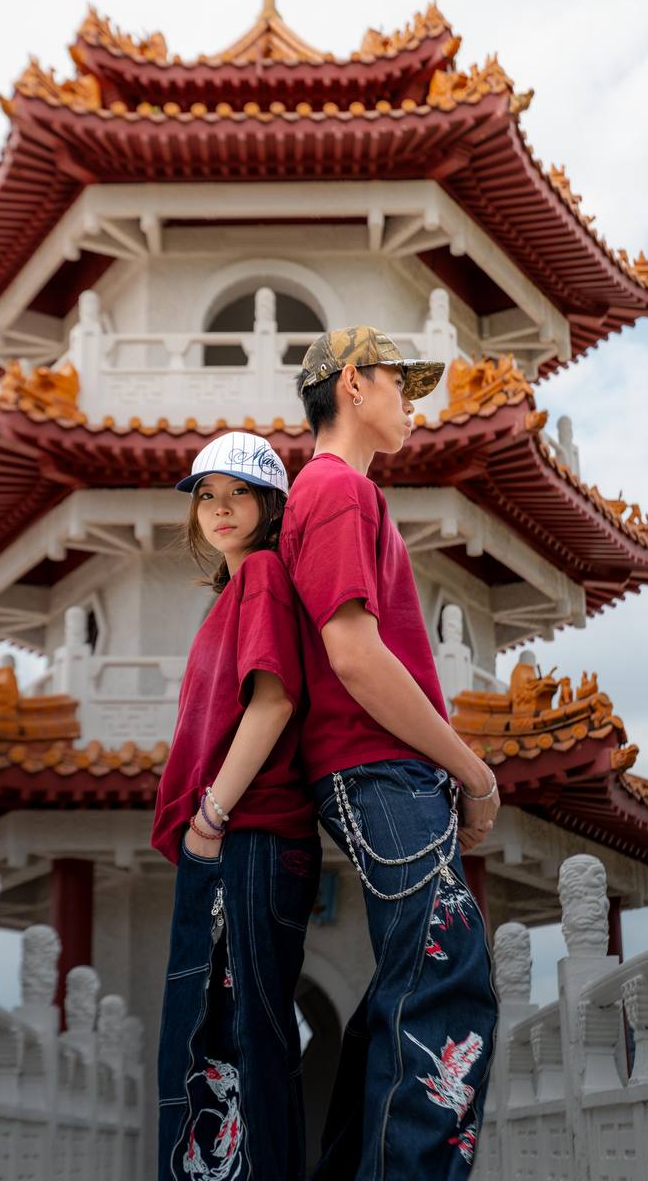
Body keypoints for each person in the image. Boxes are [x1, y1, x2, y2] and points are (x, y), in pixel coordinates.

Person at [279, 327, 500, 1180]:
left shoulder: (327, 491)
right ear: (352, 384)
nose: (411, 403)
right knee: (448, 981)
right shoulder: (340, 490)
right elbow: (355, 656)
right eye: (399, 383)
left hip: (374, 772)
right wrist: (472, 772)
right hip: (377, 769)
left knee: (400, 997)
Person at [152, 430, 321, 1181]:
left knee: (237, 1042)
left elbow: (273, 701)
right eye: (206, 496)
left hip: (247, 834)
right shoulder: (239, 586)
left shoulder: (260, 575)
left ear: (271, 504)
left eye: (240, 493)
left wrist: (210, 817)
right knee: (233, 1038)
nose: (220, 508)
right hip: (240, 838)